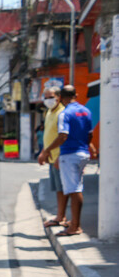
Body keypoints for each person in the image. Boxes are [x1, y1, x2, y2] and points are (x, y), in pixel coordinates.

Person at [38, 85, 95, 237]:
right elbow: (89, 135)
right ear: (76, 94)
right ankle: (72, 222)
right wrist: (89, 148)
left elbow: (63, 136)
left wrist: (48, 151)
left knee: (74, 189)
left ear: (61, 97)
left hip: (69, 154)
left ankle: (75, 226)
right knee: (73, 188)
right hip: (82, 153)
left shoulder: (65, 113)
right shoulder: (86, 111)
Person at [38, 87, 68, 228]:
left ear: (58, 97)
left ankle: (61, 217)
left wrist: (60, 156)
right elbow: (50, 135)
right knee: (58, 189)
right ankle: (60, 215)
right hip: (52, 157)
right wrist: (44, 152)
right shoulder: (50, 112)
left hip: (59, 157)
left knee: (63, 189)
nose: (47, 100)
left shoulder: (62, 113)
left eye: (50, 97)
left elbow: (64, 137)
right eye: (45, 97)